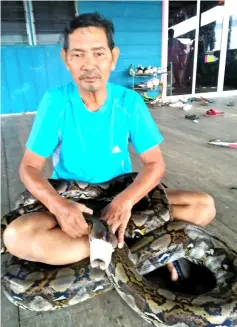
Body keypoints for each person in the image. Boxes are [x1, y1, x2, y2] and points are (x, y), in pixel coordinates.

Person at [3, 13, 216, 281]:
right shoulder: (55, 102)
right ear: (66, 59)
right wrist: (58, 206)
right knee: (16, 236)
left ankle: (102, 252)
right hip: (74, 201)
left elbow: (154, 163)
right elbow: (30, 168)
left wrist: (125, 201)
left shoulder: (129, 102)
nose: (89, 65)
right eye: (78, 54)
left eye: (98, 53)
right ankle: (146, 252)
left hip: (122, 194)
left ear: (113, 57)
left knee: (203, 206)